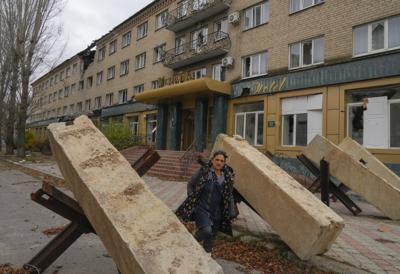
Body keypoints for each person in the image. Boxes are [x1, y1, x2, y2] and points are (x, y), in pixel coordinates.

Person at [176, 150, 238, 253]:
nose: (219, 163)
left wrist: (232, 212)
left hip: (217, 213)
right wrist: (192, 198)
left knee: (210, 240)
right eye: (217, 160)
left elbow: (229, 195)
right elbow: (190, 184)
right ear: (212, 160)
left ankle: (205, 260)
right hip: (202, 209)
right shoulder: (204, 172)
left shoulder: (227, 178)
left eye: (222, 161)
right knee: (206, 231)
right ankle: (188, 246)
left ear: (224, 163)